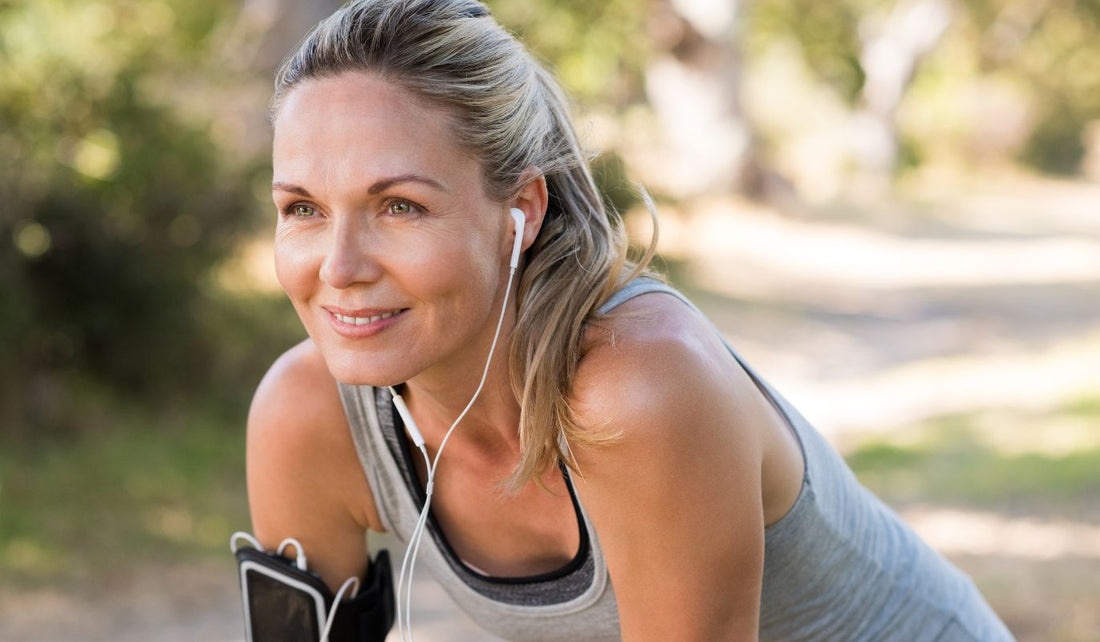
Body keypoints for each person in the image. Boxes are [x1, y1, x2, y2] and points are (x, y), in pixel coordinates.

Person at [245, 0, 1014, 639]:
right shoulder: (307, 416)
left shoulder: (636, 389)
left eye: (400, 206)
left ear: (521, 211)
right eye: (303, 209)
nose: (339, 268)